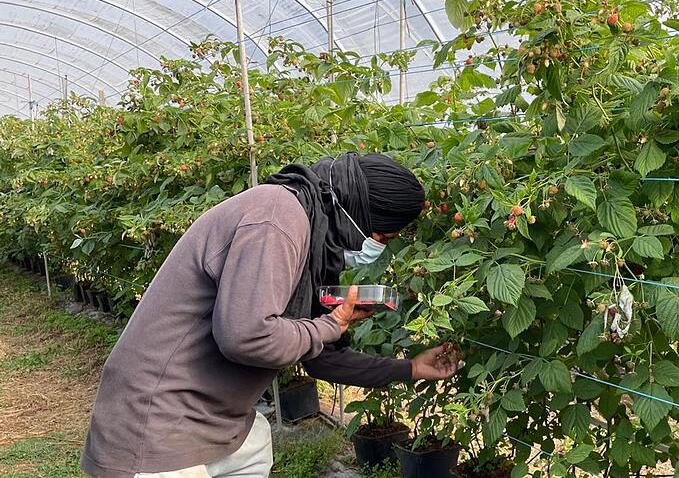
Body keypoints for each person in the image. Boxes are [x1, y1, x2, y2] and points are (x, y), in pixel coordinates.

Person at [81, 153, 459, 478]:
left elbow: (321, 356)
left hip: (217, 421)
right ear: (358, 213)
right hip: (157, 424)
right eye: (383, 238)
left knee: (256, 441)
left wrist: (408, 368)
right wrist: (329, 325)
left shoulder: (313, 234)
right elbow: (246, 336)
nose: (376, 248)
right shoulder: (276, 218)